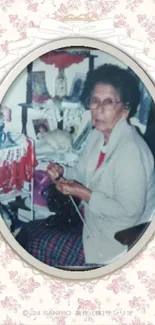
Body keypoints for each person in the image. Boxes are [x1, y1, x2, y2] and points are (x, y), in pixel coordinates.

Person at [16, 64, 155, 267]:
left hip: (115, 240)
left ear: (125, 109)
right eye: (94, 101)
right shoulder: (97, 135)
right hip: (91, 223)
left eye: (108, 102)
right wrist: (64, 172)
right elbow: (82, 172)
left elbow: (129, 212)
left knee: (38, 245)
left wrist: (85, 194)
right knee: (30, 230)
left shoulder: (131, 151)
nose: (98, 110)